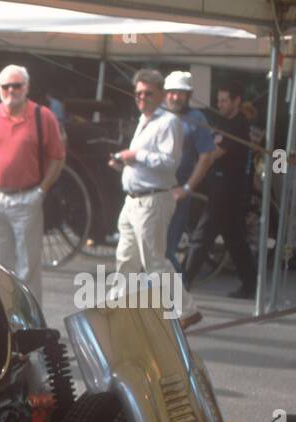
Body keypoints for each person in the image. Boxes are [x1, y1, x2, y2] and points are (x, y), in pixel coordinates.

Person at [107, 69, 197, 324]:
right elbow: (145, 161)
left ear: (160, 95)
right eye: (138, 93)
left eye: (148, 93)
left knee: (154, 259)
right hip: (134, 198)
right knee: (126, 257)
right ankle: (119, 309)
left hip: (153, 199)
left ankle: (187, 309)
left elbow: (169, 162)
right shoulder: (144, 120)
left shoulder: (169, 122)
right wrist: (123, 163)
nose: (142, 98)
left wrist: (134, 156)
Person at [0, 64, 66, 302]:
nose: (11, 90)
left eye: (17, 85)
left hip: (28, 196)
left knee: (28, 265)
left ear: (27, 87)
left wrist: (41, 191)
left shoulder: (42, 116)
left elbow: (58, 156)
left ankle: (31, 321)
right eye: (6, 86)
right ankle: (4, 313)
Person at [183, 81, 258, 300]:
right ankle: (250, 282)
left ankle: (183, 284)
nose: (220, 104)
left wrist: (198, 157)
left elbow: (214, 153)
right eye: (219, 100)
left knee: (202, 235)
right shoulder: (226, 122)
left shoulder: (238, 124)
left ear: (236, 101)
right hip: (224, 184)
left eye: (225, 100)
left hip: (229, 187)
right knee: (234, 237)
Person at [162, 71, 218, 274]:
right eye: (172, 92)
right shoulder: (158, 113)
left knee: (166, 251)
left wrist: (186, 188)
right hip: (153, 192)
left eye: (181, 93)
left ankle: (180, 295)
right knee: (151, 250)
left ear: (189, 95)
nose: (175, 97)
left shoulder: (196, 118)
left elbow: (207, 156)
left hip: (176, 193)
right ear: (165, 93)